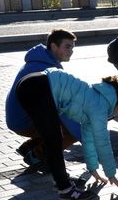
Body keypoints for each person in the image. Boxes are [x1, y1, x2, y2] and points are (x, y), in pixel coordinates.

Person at [15, 69, 118, 200]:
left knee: (53, 138)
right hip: (37, 86)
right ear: (116, 102)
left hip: (33, 82)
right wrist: (111, 174)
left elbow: (88, 140)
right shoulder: (100, 107)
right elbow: (103, 143)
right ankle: (65, 190)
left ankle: (61, 180)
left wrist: (93, 170)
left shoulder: (97, 97)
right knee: (54, 139)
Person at [5, 29, 80, 170]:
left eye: (72, 47)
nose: (71, 51)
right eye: (67, 46)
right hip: (24, 122)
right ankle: (37, 156)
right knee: (70, 132)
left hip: (17, 119)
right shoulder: (46, 71)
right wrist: (85, 134)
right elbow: (62, 110)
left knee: (58, 124)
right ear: (53, 46)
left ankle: (28, 147)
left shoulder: (39, 61)